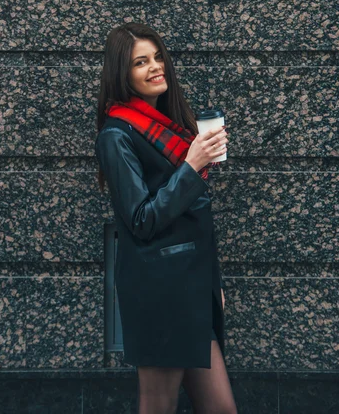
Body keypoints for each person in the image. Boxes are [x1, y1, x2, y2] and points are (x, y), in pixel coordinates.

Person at [95, 22, 237, 414]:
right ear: (122, 73)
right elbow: (142, 219)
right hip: (160, 292)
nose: (155, 66)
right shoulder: (116, 135)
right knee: (157, 405)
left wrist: (212, 282)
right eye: (141, 62)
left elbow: (192, 219)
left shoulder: (166, 128)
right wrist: (192, 165)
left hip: (191, 288)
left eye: (158, 57)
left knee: (221, 408)